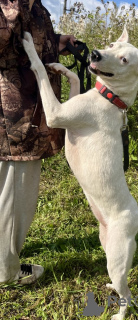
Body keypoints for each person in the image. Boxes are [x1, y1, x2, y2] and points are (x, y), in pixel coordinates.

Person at [0, 0, 76, 285]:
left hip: (24, 115)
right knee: (14, 193)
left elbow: (20, 43)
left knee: (12, 189)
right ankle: (5, 271)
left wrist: (58, 42)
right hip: (13, 117)